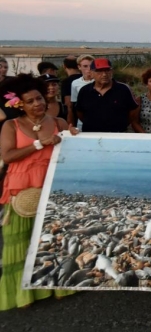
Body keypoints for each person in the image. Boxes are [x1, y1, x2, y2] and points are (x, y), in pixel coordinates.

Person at [0, 74, 77, 310]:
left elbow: (72, 152)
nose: (37, 103)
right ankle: (22, 294)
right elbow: (8, 156)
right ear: (19, 104)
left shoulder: (59, 123)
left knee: (52, 239)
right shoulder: (11, 125)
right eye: (31, 100)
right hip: (21, 189)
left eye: (40, 98)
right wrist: (38, 143)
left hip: (52, 185)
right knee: (19, 242)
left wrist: (75, 138)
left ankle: (58, 284)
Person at [75, 58, 138, 133]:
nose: (104, 74)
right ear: (91, 73)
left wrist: (121, 125)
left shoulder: (123, 89)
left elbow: (133, 112)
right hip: (91, 135)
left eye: (107, 70)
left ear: (112, 71)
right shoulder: (84, 91)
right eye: (99, 71)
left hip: (118, 135)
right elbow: (80, 113)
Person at [69, 54, 95, 128]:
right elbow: (74, 104)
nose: (89, 69)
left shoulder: (99, 82)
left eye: (91, 66)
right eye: (85, 66)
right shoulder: (75, 83)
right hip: (82, 121)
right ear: (79, 67)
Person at [60, 56, 80, 122]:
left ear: (64, 66)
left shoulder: (66, 82)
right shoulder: (84, 79)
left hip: (74, 117)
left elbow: (68, 104)